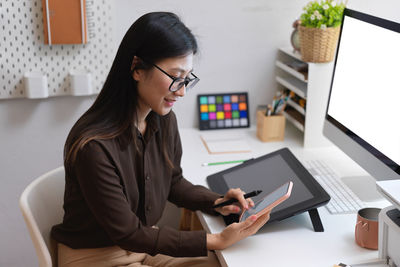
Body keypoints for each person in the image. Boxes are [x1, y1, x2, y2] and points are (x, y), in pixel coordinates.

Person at [51, 12, 271, 267]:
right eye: (175, 77)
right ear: (136, 68)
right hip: (96, 257)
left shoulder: (163, 120)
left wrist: (217, 202)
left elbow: (173, 182)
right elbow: (128, 233)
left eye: (187, 78)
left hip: (143, 246)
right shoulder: (94, 146)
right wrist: (216, 240)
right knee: (217, 254)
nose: (182, 90)